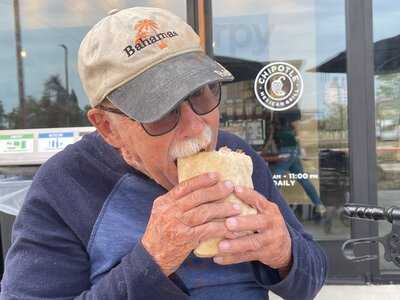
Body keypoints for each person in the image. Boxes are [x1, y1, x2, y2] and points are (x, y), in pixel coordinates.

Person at [0, 7, 327, 300]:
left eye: (201, 94)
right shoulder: (64, 187)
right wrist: (151, 263)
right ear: (108, 127)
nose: (197, 128)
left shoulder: (240, 159)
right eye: (161, 111)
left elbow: (309, 282)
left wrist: (286, 253)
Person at [267, 113, 327, 216]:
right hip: (292, 152)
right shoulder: (283, 120)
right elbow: (294, 136)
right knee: (302, 179)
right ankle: (319, 205)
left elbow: (272, 139)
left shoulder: (284, 117)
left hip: (287, 152)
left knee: (275, 179)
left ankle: (271, 208)